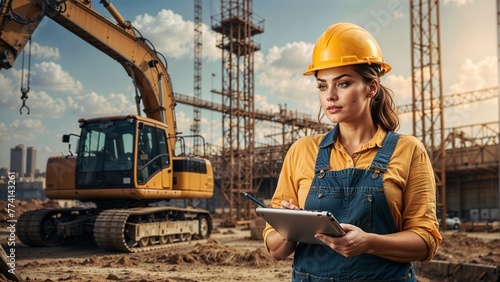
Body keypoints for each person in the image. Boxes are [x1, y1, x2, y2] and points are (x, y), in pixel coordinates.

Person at [262, 22, 442, 281]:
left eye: (343, 84)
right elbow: (276, 251)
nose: (330, 96)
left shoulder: (408, 150)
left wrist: (369, 243)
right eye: (322, 86)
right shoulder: (302, 152)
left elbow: (426, 241)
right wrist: (291, 225)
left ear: (372, 88)